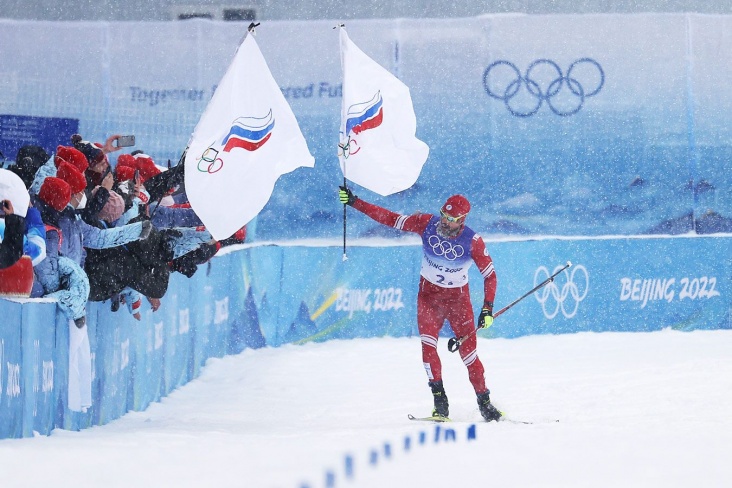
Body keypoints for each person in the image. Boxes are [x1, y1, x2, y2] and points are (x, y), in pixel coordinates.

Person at [339, 186, 502, 422]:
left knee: (469, 356)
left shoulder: (473, 241)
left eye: (452, 220)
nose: (445, 222)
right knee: (428, 348)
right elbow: (391, 219)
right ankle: (440, 404)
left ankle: (485, 404)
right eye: (444, 216)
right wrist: (355, 202)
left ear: (462, 220)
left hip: (458, 301)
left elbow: (490, 275)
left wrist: (487, 308)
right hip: (429, 297)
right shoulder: (426, 223)